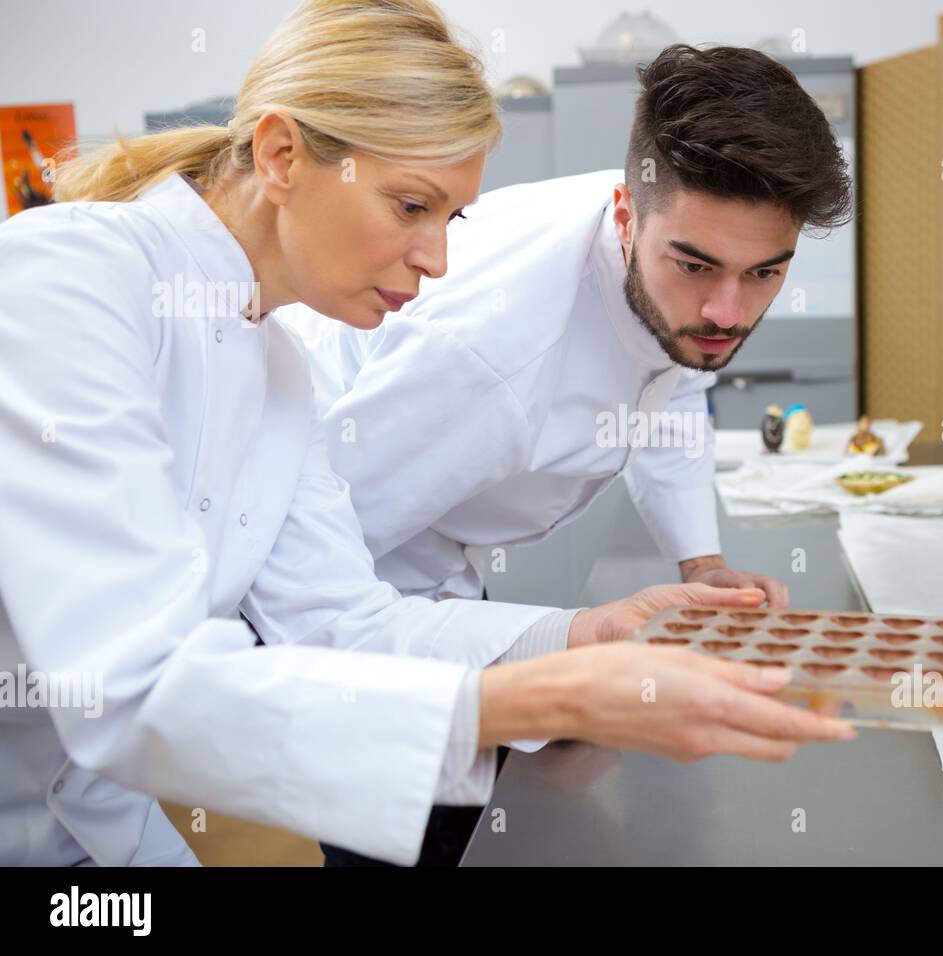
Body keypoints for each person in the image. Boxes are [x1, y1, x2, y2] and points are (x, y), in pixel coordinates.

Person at [0, 0, 856, 868]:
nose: (437, 260)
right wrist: (543, 701)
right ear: (281, 155)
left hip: (100, 837)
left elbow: (344, 622)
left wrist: (588, 635)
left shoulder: (278, 369)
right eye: (410, 205)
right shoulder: (68, 281)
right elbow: (136, 692)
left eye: (449, 218)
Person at [279, 45, 854, 619]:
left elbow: (677, 389)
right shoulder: (489, 351)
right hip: (366, 558)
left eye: (764, 272)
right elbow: (309, 559)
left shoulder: (672, 233)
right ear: (626, 220)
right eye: (696, 267)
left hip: (432, 542)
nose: (727, 313)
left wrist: (701, 563)